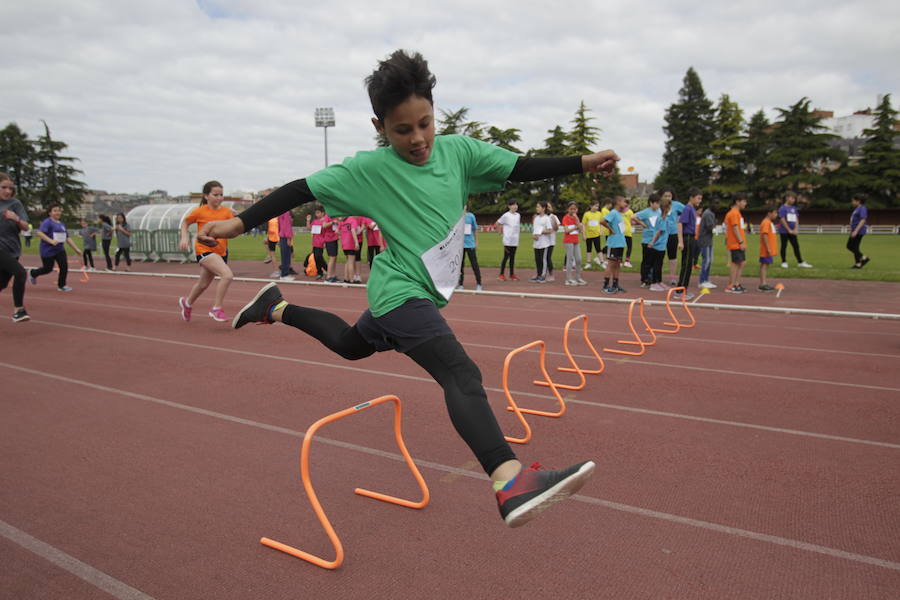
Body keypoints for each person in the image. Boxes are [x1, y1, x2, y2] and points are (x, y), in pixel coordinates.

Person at [200, 50, 615, 527]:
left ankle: (276, 306)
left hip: (407, 294)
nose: (418, 139)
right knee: (461, 375)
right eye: (403, 130)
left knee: (349, 344)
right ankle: (509, 479)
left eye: (425, 123)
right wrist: (238, 222)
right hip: (400, 292)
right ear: (380, 126)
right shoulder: (368, 171)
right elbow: (300, 188)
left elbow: (520, 167)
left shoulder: (459, 153)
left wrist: (584, 163)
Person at [178, 180, 236, 322]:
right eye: (215, 194)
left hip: (222, 252)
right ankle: (216, 309)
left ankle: (187, 303)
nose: (219, 198)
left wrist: (237, 216)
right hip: (204, 250)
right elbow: (185, 222)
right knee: (227, 275)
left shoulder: (227, 212)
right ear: (206, 196)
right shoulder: (200, 211)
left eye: (221, 195)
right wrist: (184, 238)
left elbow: (236, 226)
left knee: (203, 284)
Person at [0, 173, 31, 322]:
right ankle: (19, 310)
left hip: (13, 249)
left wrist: (16, 218)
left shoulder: (15, 203)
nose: (7, 191)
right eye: (3, 187)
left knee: (2, 283)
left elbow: (26, 227)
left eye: (10, 188)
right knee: (20, 273)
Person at [29, 204, 82, 291]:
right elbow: (39, 233)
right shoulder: (47, 222)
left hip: (59, 250)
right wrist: (51, 241)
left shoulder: (62, 224)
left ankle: (62, 285)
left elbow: (67, 238)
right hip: (48, 250)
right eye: (55, 210)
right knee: (47, 269)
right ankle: (33, 273)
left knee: (64, 267)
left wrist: (76, 249)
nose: (58, 212)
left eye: (59, 210)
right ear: (50, 213)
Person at [674, 188, 702, 299]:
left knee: (688, 265)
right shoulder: (687, 209)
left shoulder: (692, 209)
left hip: (691, 237)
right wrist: (680, 241)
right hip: (688, 238)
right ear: (691, 197)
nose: (700, 201)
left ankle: (682, 289)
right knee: (686, 266)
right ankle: (680, 291)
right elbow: (680, 223)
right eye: (698, 198)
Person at [631, 192, 661, 289]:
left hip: (657, 240)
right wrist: (641, 223)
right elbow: (633, 216)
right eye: (656, 203)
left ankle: (653, 279)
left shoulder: (660, 211)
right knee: (646, 261)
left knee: (655, 261)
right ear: (651, 203)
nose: (657, 205)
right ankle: (644, 279)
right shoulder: (646, 212)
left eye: (658, 203)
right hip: (647, 240)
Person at [778, 191, 812, 268]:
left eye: (794, 199)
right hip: (784, 231)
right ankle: (784, 261)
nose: (793, 200)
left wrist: (796, 229)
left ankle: (800, 262)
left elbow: (796, 219)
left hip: (793, 231)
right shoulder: (782, 208)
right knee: (784, 246)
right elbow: (782, 219)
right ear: (787, 198)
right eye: (792, 198)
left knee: (796, 246)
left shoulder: (794, 208)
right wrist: (788, 229)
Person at [600, 195, 627, 293]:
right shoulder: (613, 213)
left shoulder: (620, 214)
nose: (625, 204)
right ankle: (605, 285)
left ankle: (615, 284)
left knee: (617, 264)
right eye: (624, 201)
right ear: (618, 202)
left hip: (620, 243)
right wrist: (610, 229)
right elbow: (602, 221)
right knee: (611, 264)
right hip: (613, 243)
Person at [724, 194, 748, 293]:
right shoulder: (734, 213)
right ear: (737, 202)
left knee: (741, 263)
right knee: (736, 263)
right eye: (744, 201)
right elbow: (735, 228)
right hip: (736, 243)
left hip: (738, 243)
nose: (745, 204)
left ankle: (736, 283)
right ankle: (731, 285)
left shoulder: (737, 213)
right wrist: (740, 241)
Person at [647, 195, 671, 292]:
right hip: (658, 246)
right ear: (666, 208)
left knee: (659, 264)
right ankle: (653, 283)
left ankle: (659, 281)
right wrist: (652, 242)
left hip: (661, 245)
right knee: (657, 265)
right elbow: (658, 232)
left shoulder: (664, 218)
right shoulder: (662, 219)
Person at [661, 188, 684, 286]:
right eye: (665, 196)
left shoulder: (677, 205)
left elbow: (687, 211)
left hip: (673, 234)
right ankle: (656, 277)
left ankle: (672, 277)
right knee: (658, 256)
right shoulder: (659, 205)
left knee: (672, 256)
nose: (667, 198)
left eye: (669, 196)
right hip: (661, 233)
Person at [457, 203, 482, 291]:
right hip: (460, 245)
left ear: (466, 206)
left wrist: (476, 242)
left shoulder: (471, 216)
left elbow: (475, 230)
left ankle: (479, 284)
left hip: (470, 244)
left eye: (465, 205)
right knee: (460, 266)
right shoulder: (457, 216)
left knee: (474, 264)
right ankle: (460, 284)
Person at [561, 201, 586, 286]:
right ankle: (568, 279)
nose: (573, 211)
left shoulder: (576, 218)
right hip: (568, 241)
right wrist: (576, 226)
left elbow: (580, 228)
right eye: (571, 209)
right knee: (570, 259)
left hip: (576, 240)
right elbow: (567, 230)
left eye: (575, 209)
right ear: (568, 209)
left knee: (579, 259)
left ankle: (578, 278)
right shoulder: (565, 218)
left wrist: (577, 221)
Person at [495, 199, 520, 281]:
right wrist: (499, 232)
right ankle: (501, 274)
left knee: (512, 258)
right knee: (506, 257)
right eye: (513, 205)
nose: (515, 206)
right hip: (507, 240)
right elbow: (497, 223)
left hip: (515, 240)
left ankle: (512, 274)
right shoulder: (506, 215)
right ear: (509, 206)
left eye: (516, 204)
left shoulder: (518, 215)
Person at [531, 201, 553, 283]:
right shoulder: (536, 218)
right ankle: (538, 275)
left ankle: (543, 276)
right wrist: (533, 235)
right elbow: (534, 230)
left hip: (544, 243)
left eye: (538, 207)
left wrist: (541, 232)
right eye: (536, 207)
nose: (537, 208)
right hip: (536, 243)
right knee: (537, 259)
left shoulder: (547, 218)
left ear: (543, 208)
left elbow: (550, 230)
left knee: (543, 260)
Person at [697, 201, 717, 289]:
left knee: (709, 260)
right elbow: (709, 226)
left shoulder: (710, 213)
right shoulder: (708, 213)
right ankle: (702, 280)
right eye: (715, 204)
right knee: (707, 260)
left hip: (708, 239)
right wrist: (715, 225)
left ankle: (706, 279)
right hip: (705, 240)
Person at [758, 205, 778, 292]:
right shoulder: (766, 222)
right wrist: (768, 248)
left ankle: (764, 283)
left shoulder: (769, 222)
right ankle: (763, 283)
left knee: (766, 265)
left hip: (769, 249)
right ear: (769, 213)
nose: (776, 215)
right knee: (764, 265)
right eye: (775, 213)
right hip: (766, 249)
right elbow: (765, 235)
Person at [306, 206, 330, 280]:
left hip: (321, 242)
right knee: (316, 258)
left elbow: (326, 232)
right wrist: (308, 220)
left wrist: (325, 242)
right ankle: (320, 272)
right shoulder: (315, 221)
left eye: (318, 212)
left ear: (323, 213)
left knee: (319, 256)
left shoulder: (325, 222)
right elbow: (309, 228)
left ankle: (327, 269)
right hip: (315, 242)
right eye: (316, 213)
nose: (317, 214)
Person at [848, 194, 870, 269]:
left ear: (858, 201)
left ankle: (864, 258)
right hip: (855, 230)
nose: (852, 202)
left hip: (859, 231)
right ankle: (858, 264)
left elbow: (863, 220)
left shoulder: (862, 208)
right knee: (854, 247)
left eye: (853, 200)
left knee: (850, 246)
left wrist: (856, 231)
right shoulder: (858, 208)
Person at [338, 215, 361, 283]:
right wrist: (356, 242)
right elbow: (353, 231)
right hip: (350, 243)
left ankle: (346, 278)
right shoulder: (352, 220)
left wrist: (343, 237)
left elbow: (337, 231)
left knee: (348, 261)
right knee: (351, 261)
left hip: (344, 244)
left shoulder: (342, 221)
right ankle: (351, 279)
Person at [582, 199, 604, 269]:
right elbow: (583, 225)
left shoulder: (599, 214)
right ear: (591, 206)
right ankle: (588, 263)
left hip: (596, 235)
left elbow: (601, 223)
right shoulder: (586, 214)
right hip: (588, 235)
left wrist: (601, 230)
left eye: (598, 206)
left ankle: (602, 262)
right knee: (589, 249)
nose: (597, 208)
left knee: (598, 249)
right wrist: (584, 234)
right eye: (595, 206)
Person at [277, 209, 296, 280]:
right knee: (286, 256)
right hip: (285, 237)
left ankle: (285, 273)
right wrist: (289, 237)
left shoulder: (280, 213)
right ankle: (285, 274)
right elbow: (287, 226)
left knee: (285, 255)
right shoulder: (286, 213)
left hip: (282, 236)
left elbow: (279, 226)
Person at [545, 201, 560, 282]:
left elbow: (557, 228)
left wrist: (554, 221)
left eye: (549, 207)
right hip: (542, 241)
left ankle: (550, 274)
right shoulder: (541, 216)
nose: (548, 208)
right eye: (547, 207)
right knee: (541, 258)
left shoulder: (553, 216)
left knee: (548, 257)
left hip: (550, 240)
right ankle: (541, 273)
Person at [622, 198, 634, 268]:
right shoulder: (630, 212)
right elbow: (632, 221)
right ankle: (627, 261)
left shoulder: (619, 211)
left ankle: (620, 261)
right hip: (628, 232)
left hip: (621, 231)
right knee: (629, 247)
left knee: (621, 247)